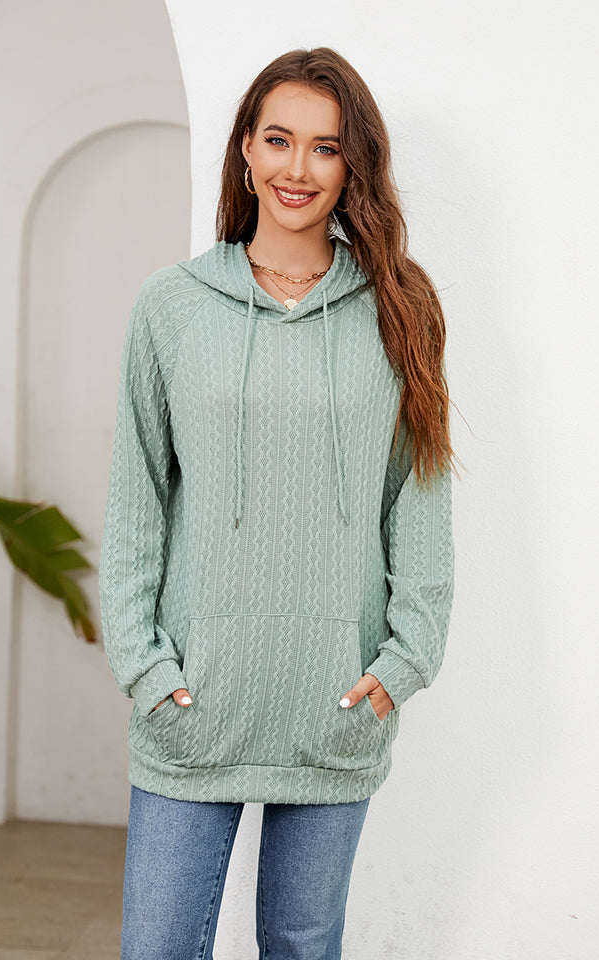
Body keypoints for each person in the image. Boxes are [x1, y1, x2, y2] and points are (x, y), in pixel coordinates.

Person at [98, 45, 456, 960]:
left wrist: (405, 661)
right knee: (157, 946)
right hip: (193, 704)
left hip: (336, 704)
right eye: (279, 140)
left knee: (302, 946)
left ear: (354, 164)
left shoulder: (399, 310)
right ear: (246, 151)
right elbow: (137, 497)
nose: (299, 168)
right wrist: (143, 666)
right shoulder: (172, 306)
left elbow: (416, 498)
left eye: (326, 147)